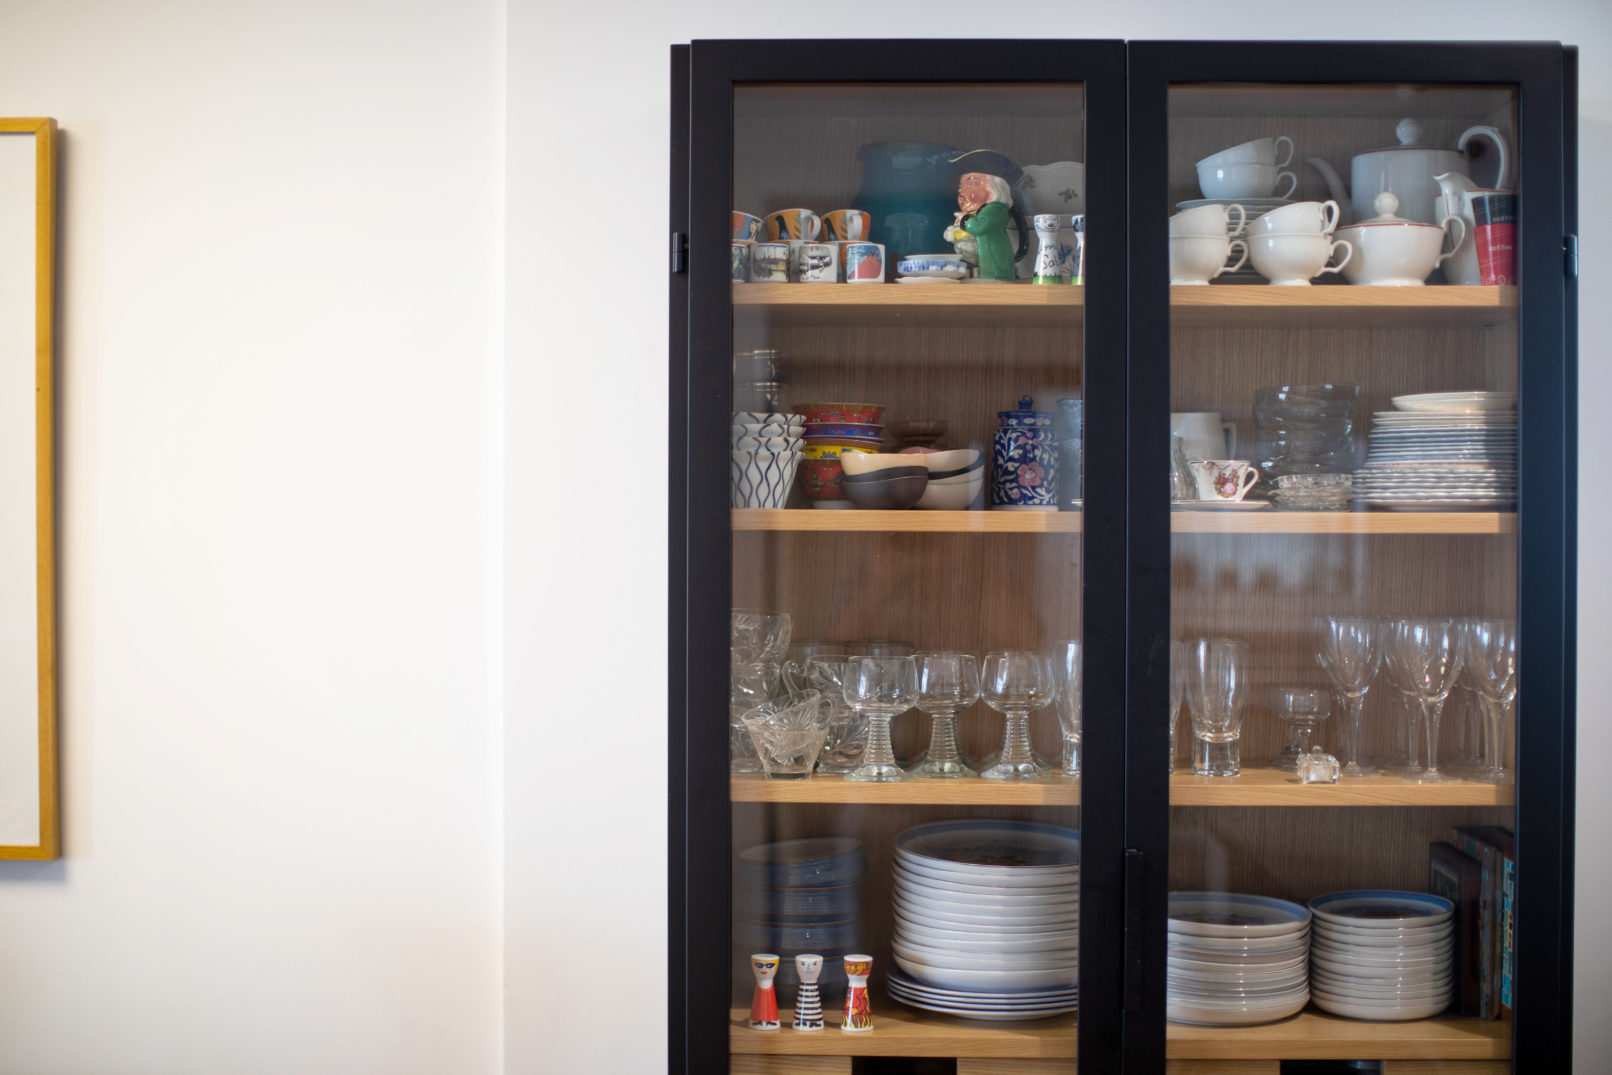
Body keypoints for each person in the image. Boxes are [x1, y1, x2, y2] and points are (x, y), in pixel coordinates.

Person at [943, 153, 1020, 281]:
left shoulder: (995, 209)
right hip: (974, 266)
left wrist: (964, 219)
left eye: (972, 184)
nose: (962, 191)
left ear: (994, 188)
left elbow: (978, 227)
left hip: (992, 269)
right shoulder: (975, 212)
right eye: (961, 186)